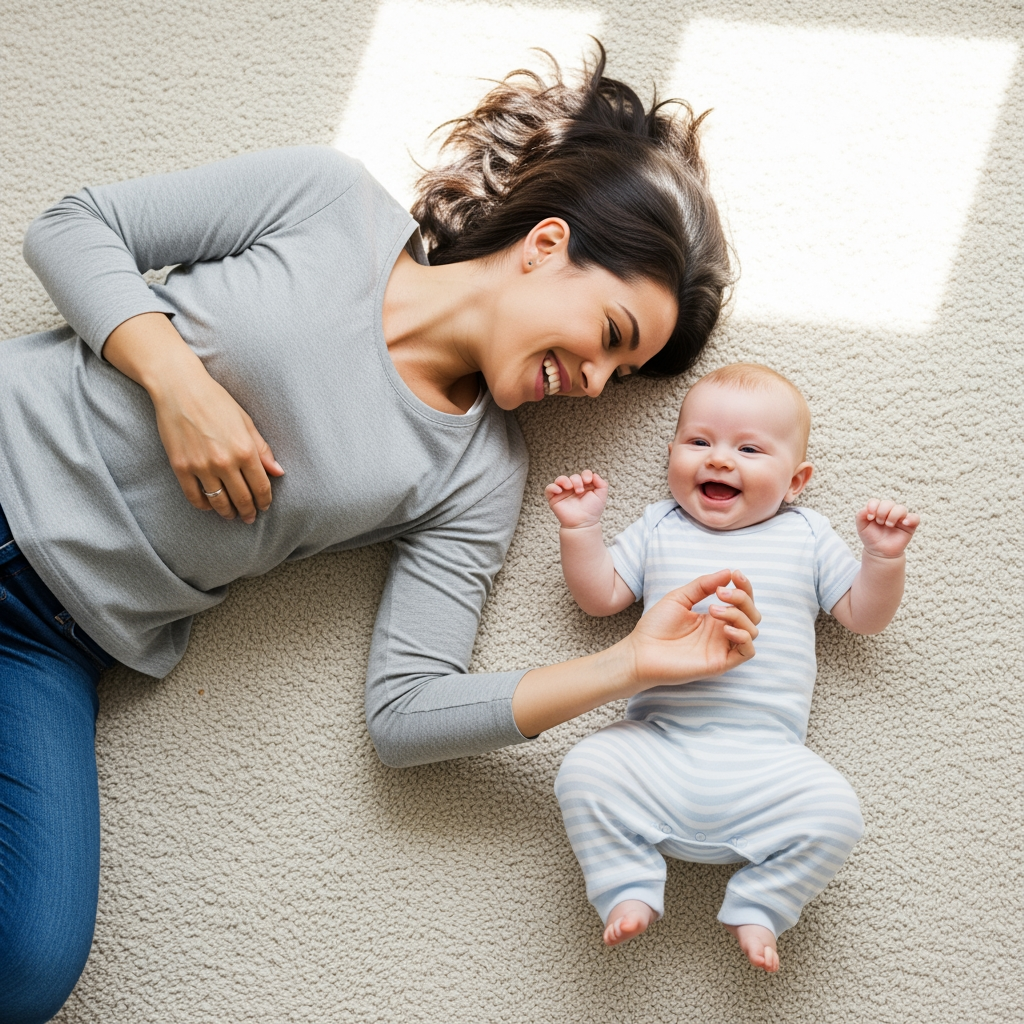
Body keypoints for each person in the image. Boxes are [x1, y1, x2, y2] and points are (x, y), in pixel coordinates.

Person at [0, 46, 758, 1022]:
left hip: (51, 641)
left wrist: (630, 665)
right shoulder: (327, 203)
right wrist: (176, 381)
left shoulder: (478, 474)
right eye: (611, 335)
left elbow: (406, 713)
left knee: (30, 961)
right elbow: (73, 226)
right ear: (544, 244)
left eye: (626, 373)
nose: (598, 382)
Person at [546, 363, 920, 971]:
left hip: (766, 761)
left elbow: (862, 616)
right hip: (655, 746)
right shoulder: (659, 525)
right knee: (585, 766)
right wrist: (582, 529)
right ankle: (627, 886)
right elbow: (602, 596)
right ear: (671, 454)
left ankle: (762, 903)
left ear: (795, 480)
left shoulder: (806, 534)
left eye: (748, 448)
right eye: (699, 442)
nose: (719, 460)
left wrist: (881, 561)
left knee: (836, 810)